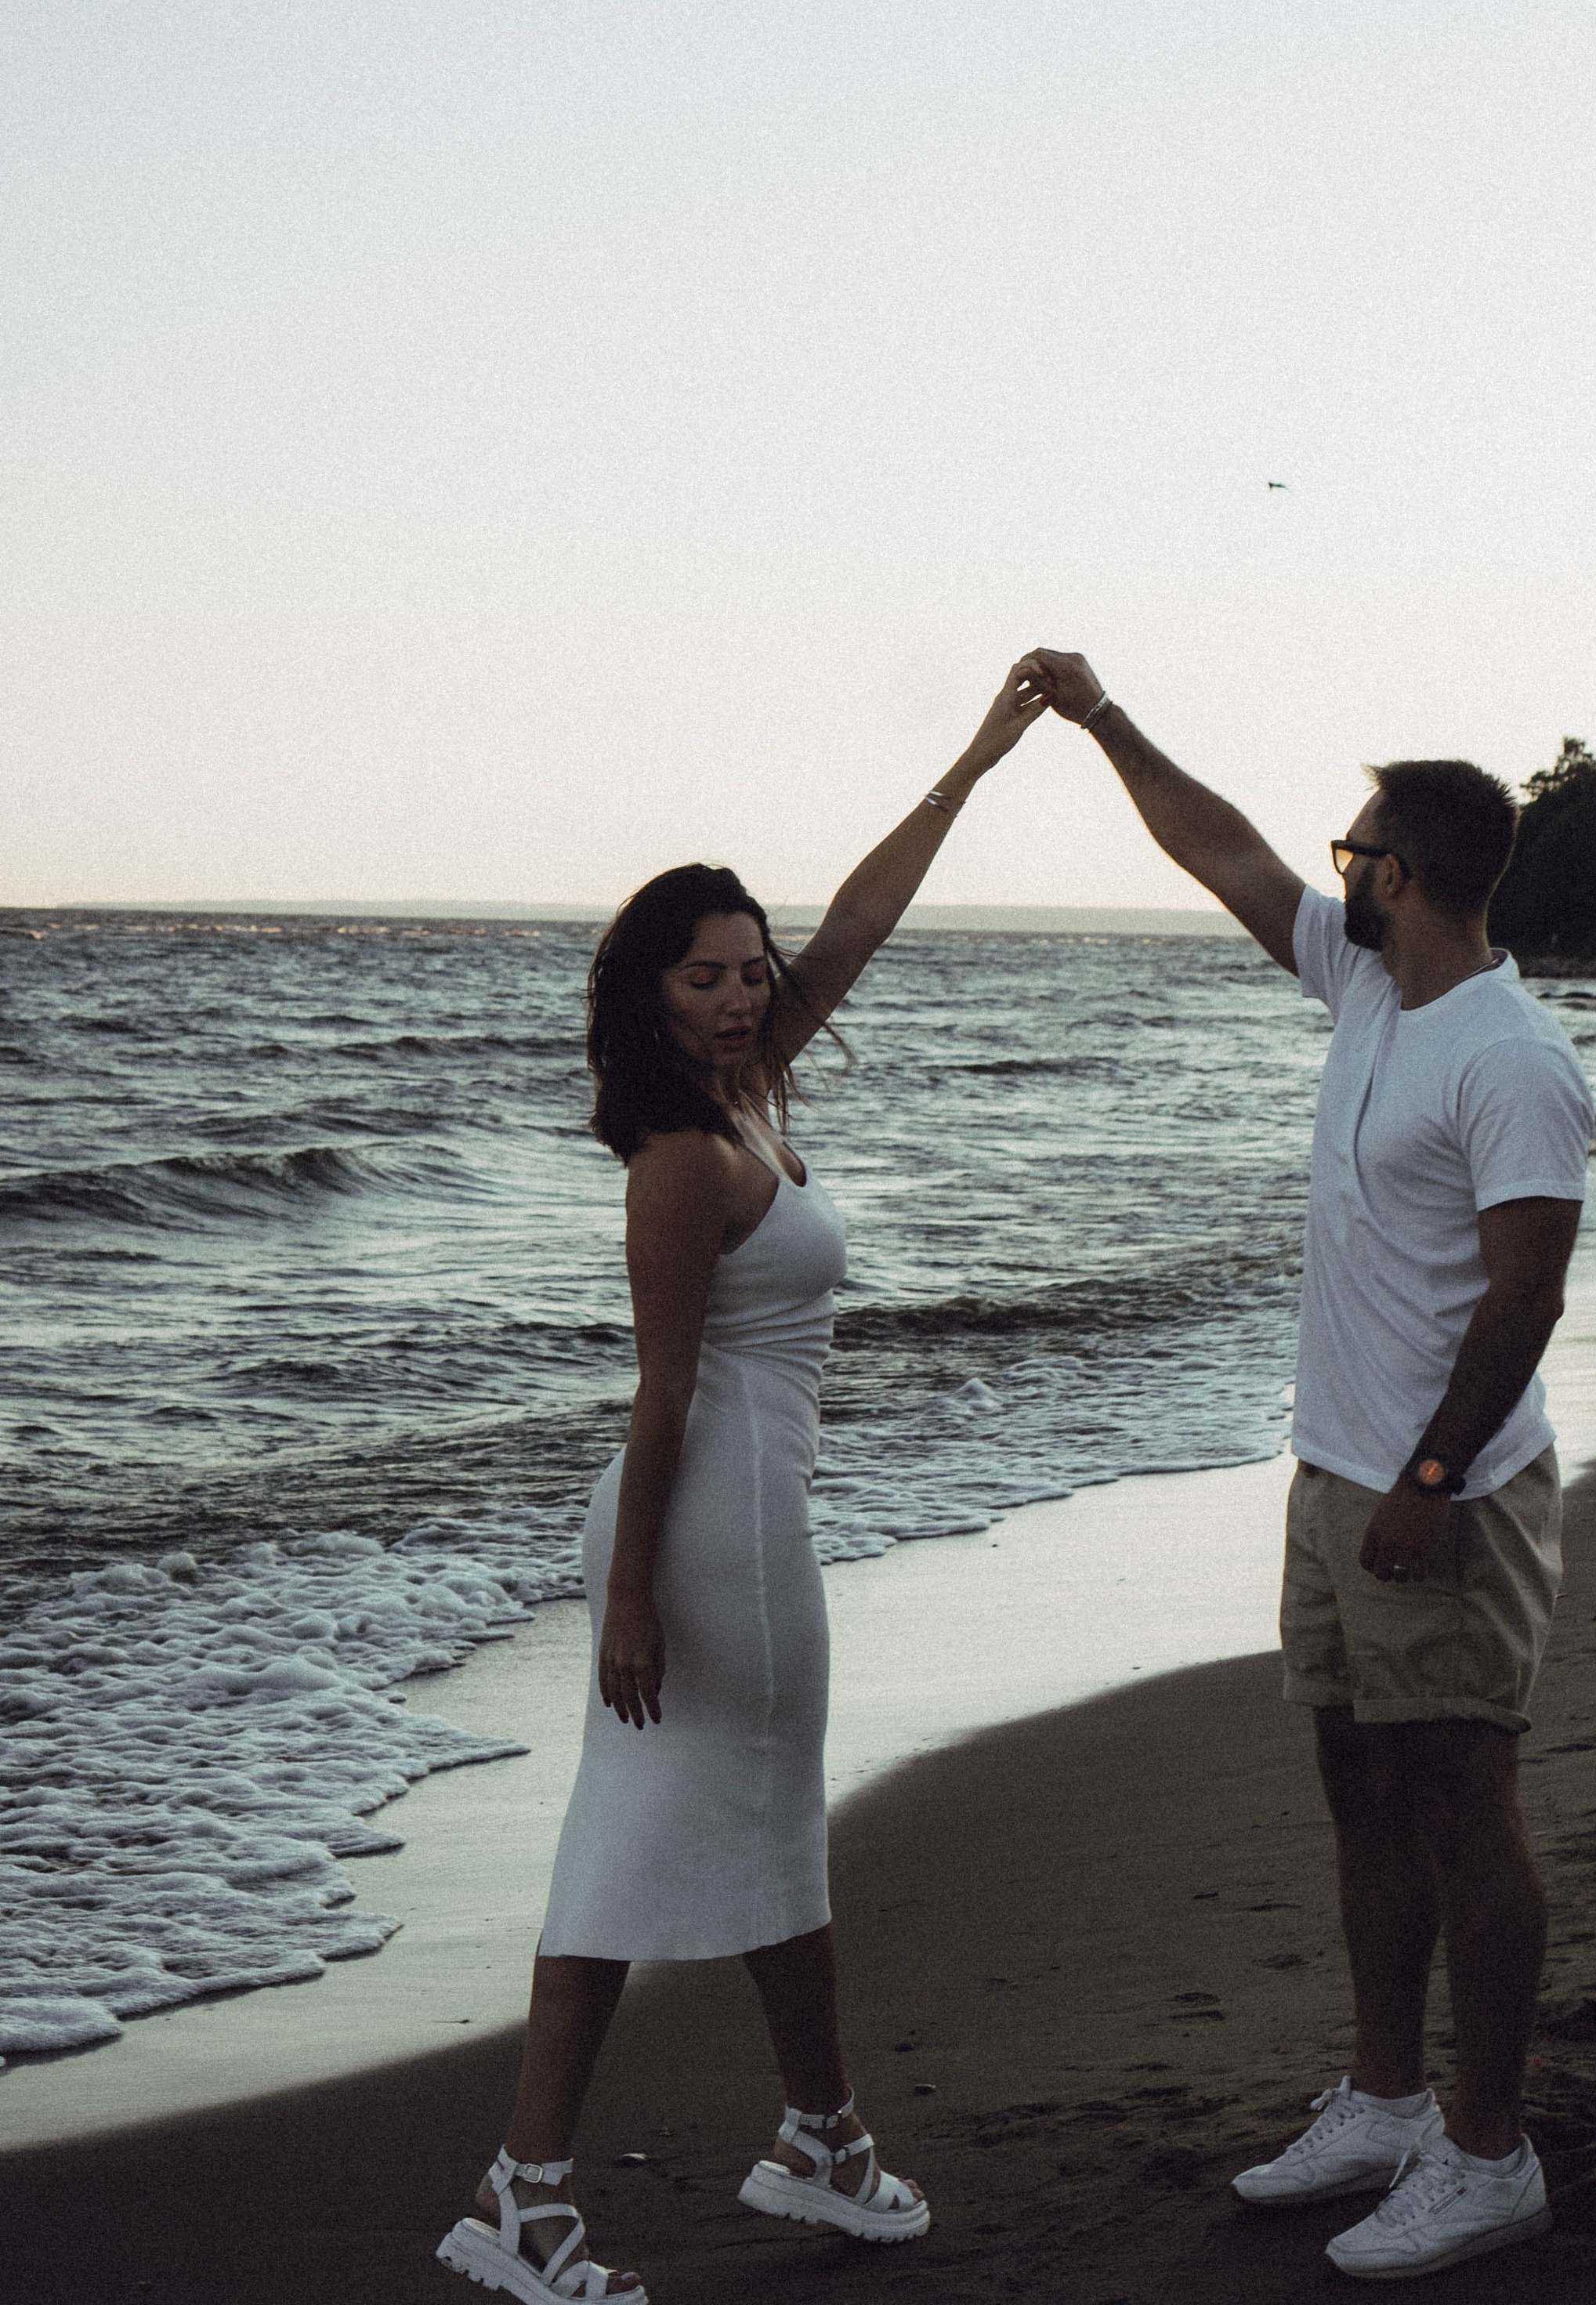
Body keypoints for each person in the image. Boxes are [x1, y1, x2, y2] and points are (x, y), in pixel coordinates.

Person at [438, 663, 1048, 2305]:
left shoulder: (754, 1089)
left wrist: (974, 761)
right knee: (634, 1845)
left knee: (768, 1829)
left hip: (750, 1514)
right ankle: (529, 2196)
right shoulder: (680, 1161)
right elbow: (665, 1394)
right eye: (699, 975)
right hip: (705, 1527)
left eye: (743, 968)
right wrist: (629, 1594)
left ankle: (816, 2137)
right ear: (644, 997)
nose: (734, 991)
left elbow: (855, 923)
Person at [1028, 650, 1592, 2281]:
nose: (1328, 871)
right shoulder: (1365, 992)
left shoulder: (1507, 1054)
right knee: (1358, 1784)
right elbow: (1214, 851)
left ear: (1398, 873)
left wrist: (1428, 1481)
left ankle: (1488, 2156)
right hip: (1337, 1475)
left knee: (1460, 1802)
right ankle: (1385, 2100)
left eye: (1349, 853)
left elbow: (1527, 1289)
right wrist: (1102, 720)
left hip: (1449, 1492)